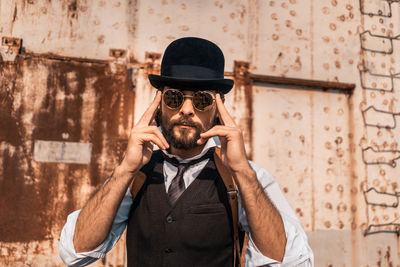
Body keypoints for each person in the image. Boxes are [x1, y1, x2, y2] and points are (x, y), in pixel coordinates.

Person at [59, 37, 313, 266]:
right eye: (174, 98)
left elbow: (291, 262)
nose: (187, 110)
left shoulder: (244, 176)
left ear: (218, 107)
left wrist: (243, 172)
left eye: (202, 99)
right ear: (159, 104)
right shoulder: (135, 174)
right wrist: (124, 170)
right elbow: (76, 252)